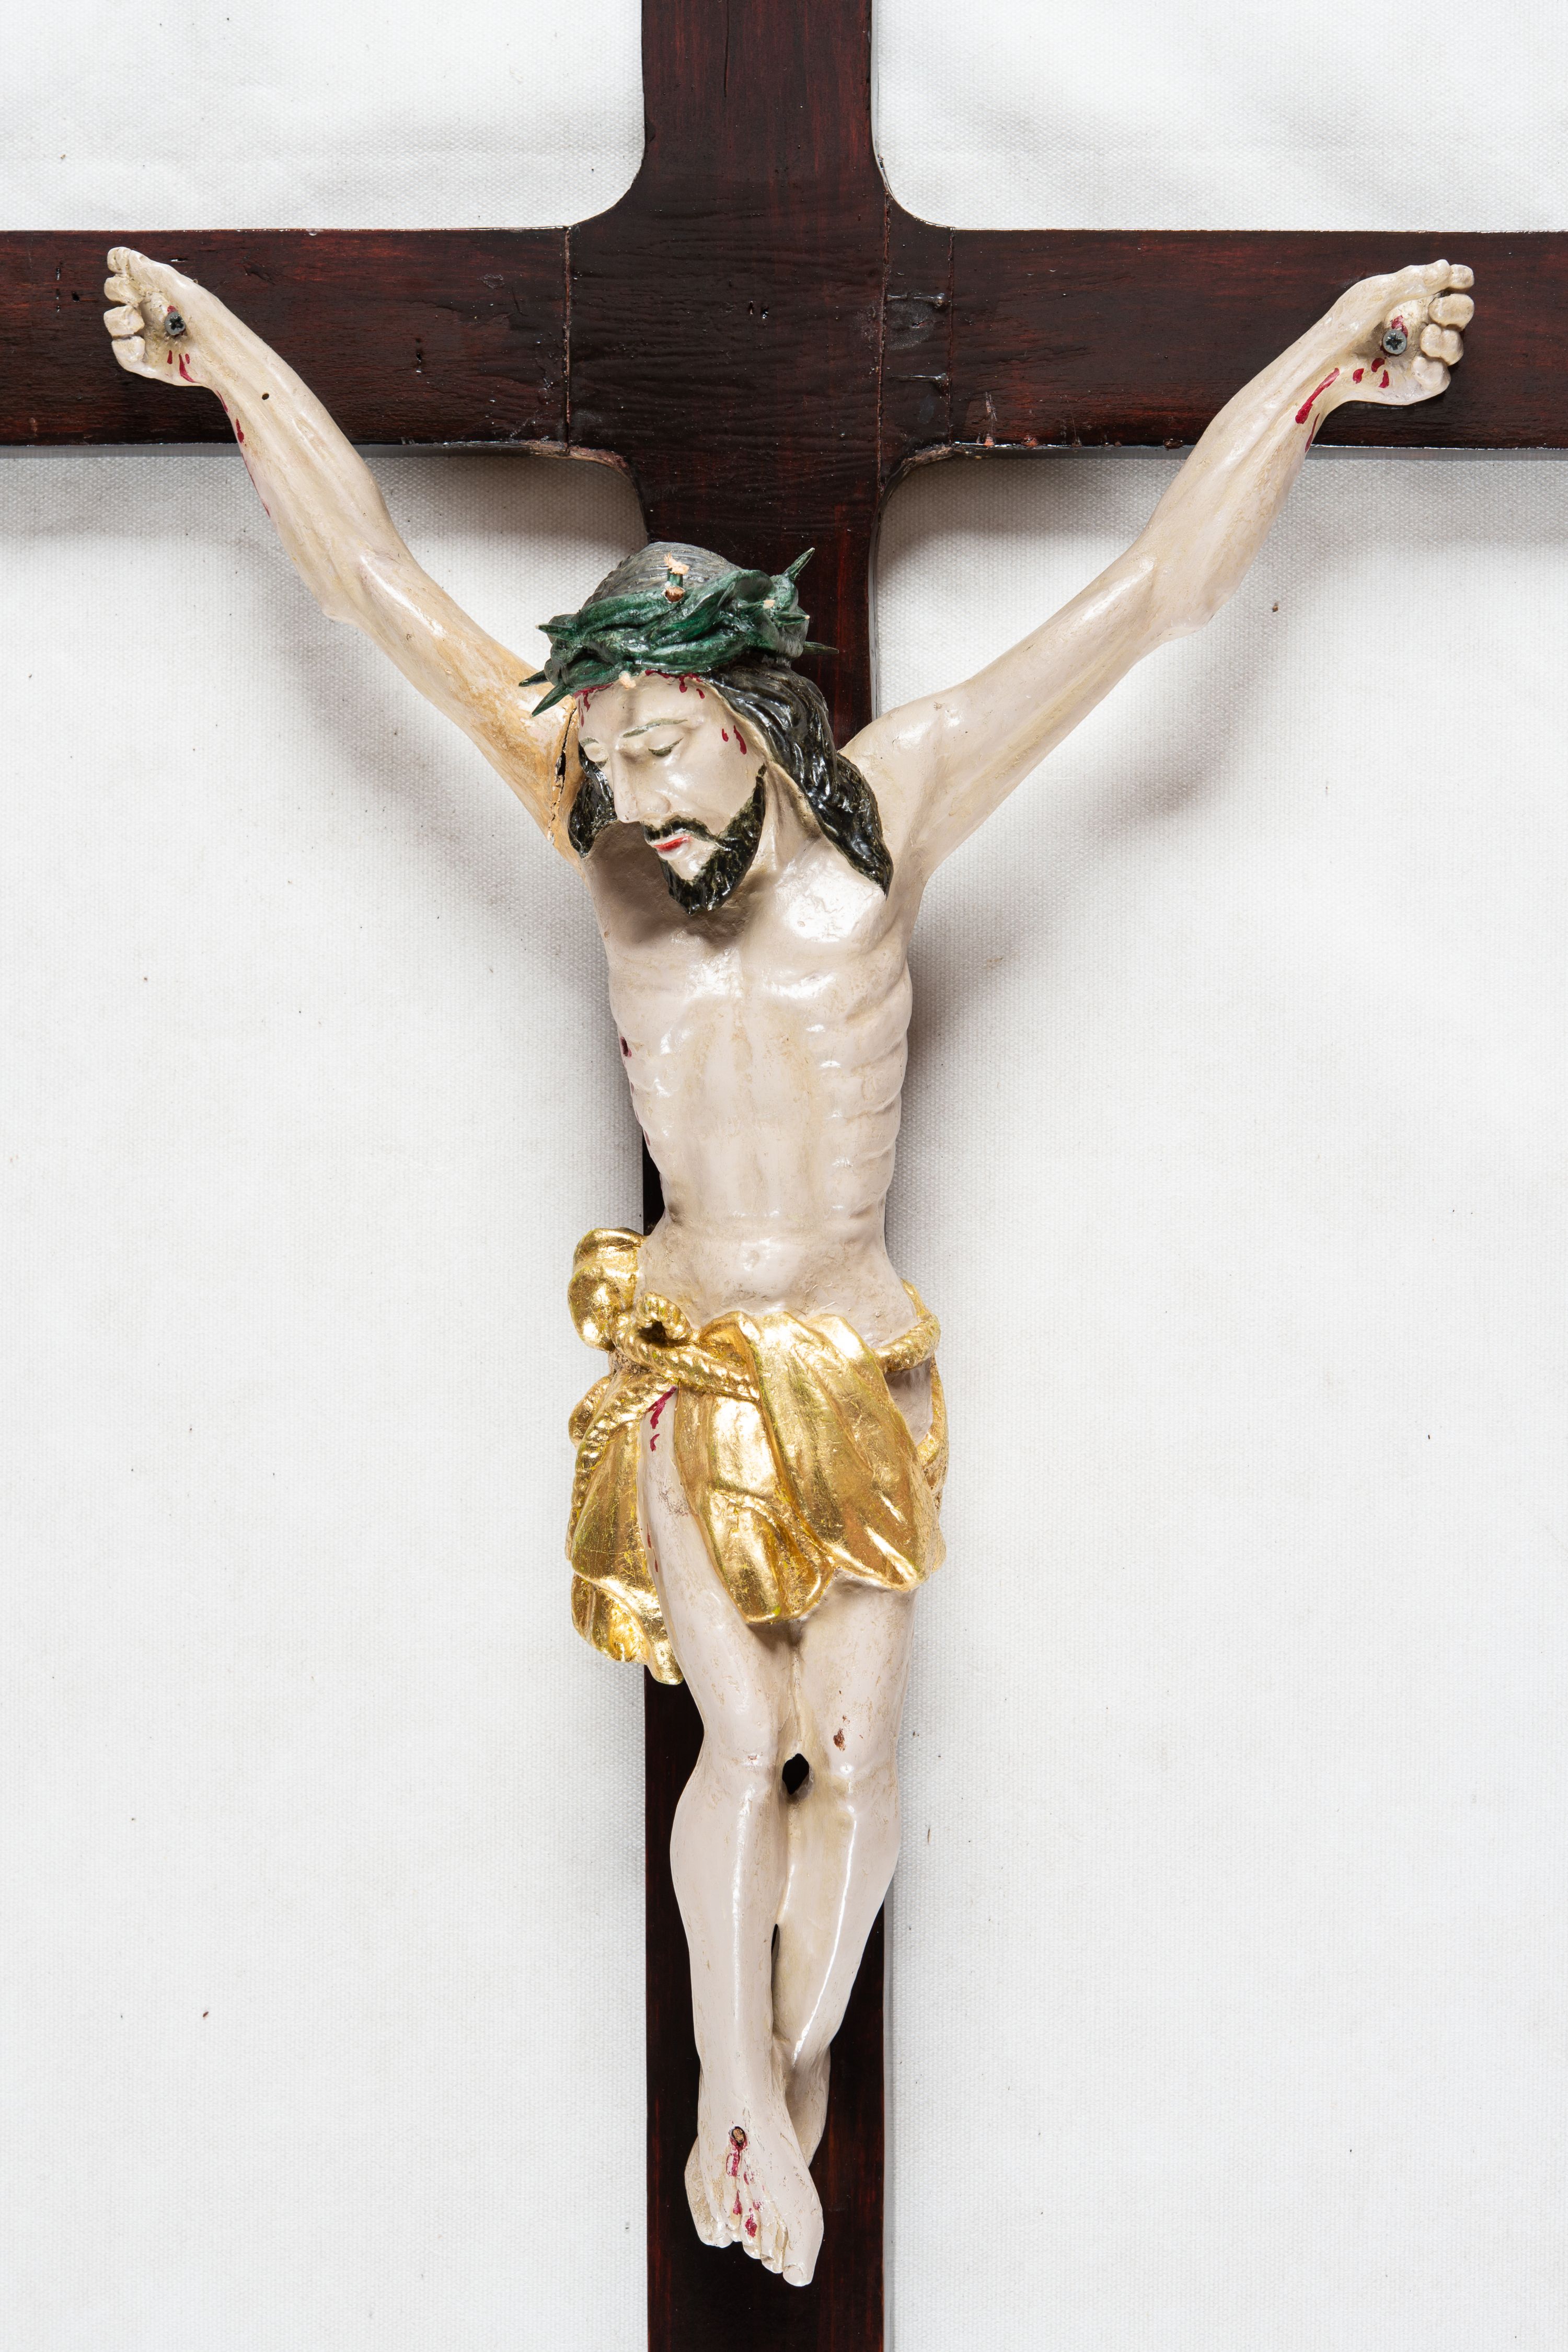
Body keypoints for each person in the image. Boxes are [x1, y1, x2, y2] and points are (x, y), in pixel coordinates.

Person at [101, 247, 1474, 2284]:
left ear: (754, 718)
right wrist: (226, 363)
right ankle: (735, 2101)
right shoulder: (596, 828)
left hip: (858, 1355)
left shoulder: (891, 815)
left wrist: (1327, 369)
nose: (639, 799)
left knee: (859, 1753)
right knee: (743, 1741)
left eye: (670, 749)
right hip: (687, 1351)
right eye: (614, 756)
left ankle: (791, 2073)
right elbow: (376, 585)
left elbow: (1157, 596)